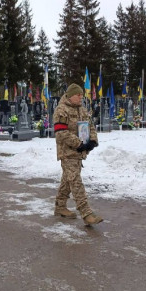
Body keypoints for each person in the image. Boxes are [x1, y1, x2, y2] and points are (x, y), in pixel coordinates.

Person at [53, 83, 103, 226]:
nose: (81, 97)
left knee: (68, 180)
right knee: (75, 181)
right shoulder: (61, 110)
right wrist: (79, 144)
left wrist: (93, 141)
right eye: (78, 95)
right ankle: (86, 213)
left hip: (79, 152)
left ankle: (60, 206)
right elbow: (61, 133)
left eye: (82, 94)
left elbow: (90, 126)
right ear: (70, 95)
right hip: (67, 153)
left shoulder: (82, 109)